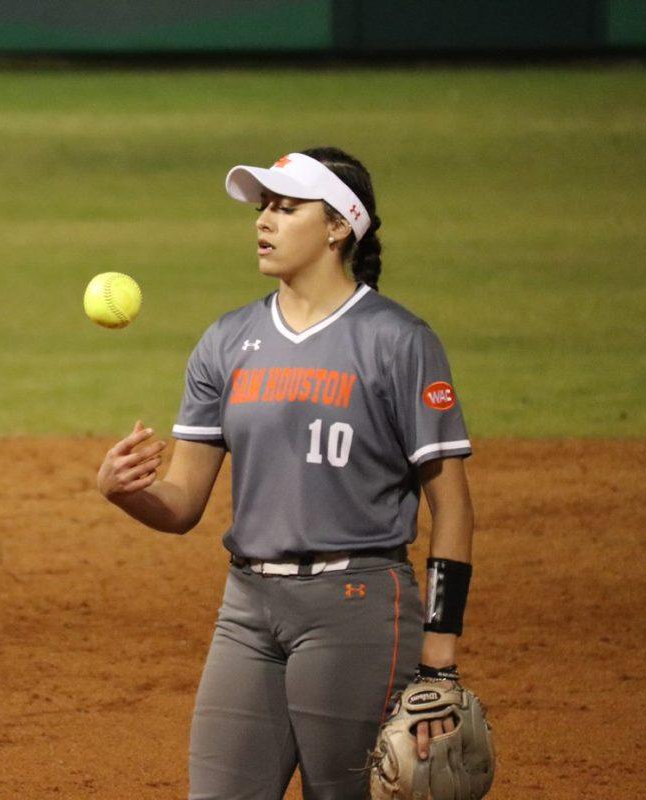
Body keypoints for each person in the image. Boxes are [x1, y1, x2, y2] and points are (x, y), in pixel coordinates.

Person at [96, 147, 476, 800]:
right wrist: (124, 494)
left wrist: (439, 657)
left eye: (286, 207)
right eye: (263, 207)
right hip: (247, 611)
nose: (264, 221)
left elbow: (454, 509)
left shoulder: (396, 341)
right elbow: (183, 502)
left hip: (355, 608)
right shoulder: (228, 340)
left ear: (337, 227)